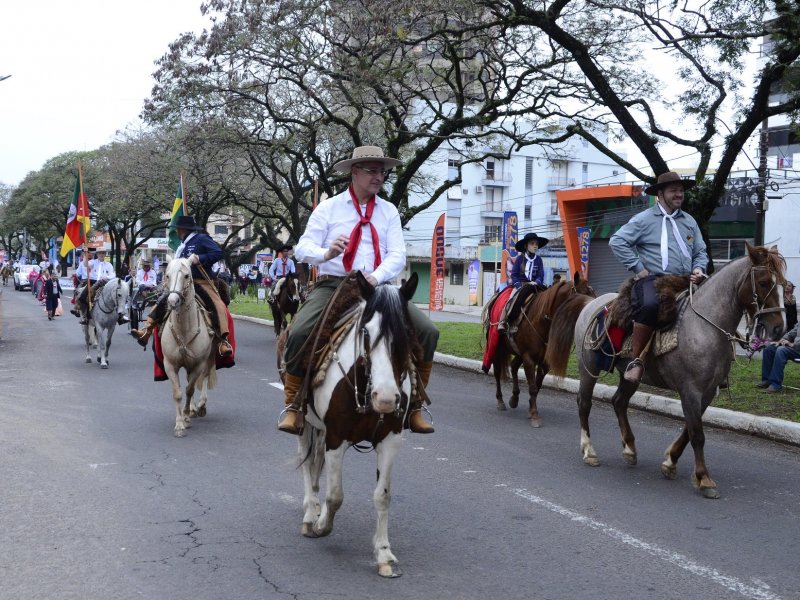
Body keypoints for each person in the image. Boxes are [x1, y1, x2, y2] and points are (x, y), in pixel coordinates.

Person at [278, 145, 439, 435]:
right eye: (372, 171)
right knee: (300, 331)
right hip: (335, 284)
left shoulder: (388, 211)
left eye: (382, 171)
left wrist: (376, 278)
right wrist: (327, 253)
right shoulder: (329, 208)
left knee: (428, 331)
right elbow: (302, 248)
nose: (379, 177)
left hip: (378, 288)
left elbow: (397, 254)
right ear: (355, 172)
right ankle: (293, 405)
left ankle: (415, 405)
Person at [609, 171, 708, 383]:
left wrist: (699, 268)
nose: (679, 194)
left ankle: (713, 363)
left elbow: (700, 250)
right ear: (660, 194)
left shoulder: (689, 221)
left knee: (716, 305)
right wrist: (637, 267)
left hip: (686, 280)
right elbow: (617, 241)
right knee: (650, 306)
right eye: (673, 190)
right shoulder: (643, 219)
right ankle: (636, 361)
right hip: (654, 280)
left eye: (681, 190)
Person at [131, 216, 233, 357]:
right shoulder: (181, 246)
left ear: (182, 229)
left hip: (200, 281)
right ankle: (147, 330)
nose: (176, 231)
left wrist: (200, 258)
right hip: (180, 283)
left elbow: (218, 253)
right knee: (162, 300)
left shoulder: (201, 239)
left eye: (177, 229)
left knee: (217, 305)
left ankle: (223, 341)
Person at [498, 232, 548, 332]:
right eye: (532, 243)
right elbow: (514, 274)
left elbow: (541, 274)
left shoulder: (539, 260)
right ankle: (503, 322)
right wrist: (518, 285)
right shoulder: (520, 259)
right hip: (520, 285)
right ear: (526, 246)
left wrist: (537, 282)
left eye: (536, 244)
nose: (535, 246)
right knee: (511, 300)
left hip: (534, 286)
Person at [73, 248, 119, 324]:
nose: (101, 255)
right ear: (97, 254)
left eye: (103, 253)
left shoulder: (109, 265)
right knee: (84, 295)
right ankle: (84, 315)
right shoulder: (92, 262)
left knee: (117, 295)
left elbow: (113, 275)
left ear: (105, 254)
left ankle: (120, 315)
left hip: (105, 283)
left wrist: (106, 277)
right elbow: (85, 264)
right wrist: (85, 254)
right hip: (92, 282)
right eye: (100, 253)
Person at [756, 322, 800, 393]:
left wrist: (792, 344)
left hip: (797, 348)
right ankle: (767, 381)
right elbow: (792, 333)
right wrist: (781, 340)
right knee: (769, 349)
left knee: (781, 350)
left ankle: (776, 385)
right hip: (796, 349)